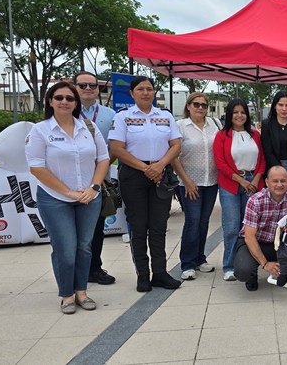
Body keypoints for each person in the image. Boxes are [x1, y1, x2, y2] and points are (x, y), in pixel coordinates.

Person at [26, 82, 109, 313]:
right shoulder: (40, 130)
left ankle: (82, 292)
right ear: (50, 101)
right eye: (59, 97)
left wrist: (93, 187)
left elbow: (103, 159)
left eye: (70, 98)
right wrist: (70, 192)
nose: (64, 102)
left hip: (89, 197)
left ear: (76, 103)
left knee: (84, 247)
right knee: (65, 247)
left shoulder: (88, 127)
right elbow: (36, 167)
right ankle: (67, 295)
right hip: (55, 198)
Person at [110, 76, 182, 292]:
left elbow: (176, 145)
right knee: (139, 228)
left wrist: (159, 165)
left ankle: (160, 272)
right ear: (132, 93)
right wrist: (146, 168)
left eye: (149, 89)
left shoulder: (165, 116)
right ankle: (143, 275)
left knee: (159, 227)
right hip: (134, 176)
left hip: (161, 174)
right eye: (140, 89)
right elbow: (116, 148)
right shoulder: (123, 117)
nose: (145, 93)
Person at [233, 166, 287, 291]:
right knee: (243, 271)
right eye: (275, 181)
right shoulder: (255, 201)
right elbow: (249, 237)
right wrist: (265, 264)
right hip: (256, 242)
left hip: (281, 243)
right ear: (267, 182)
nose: (279, 185)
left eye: (283, 181)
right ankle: (252, 276)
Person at [170, 92, 221, 280]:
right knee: (192, 222)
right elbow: (173, 156)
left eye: (204, 105)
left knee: (204, 222)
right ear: (188, 106)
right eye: (197, 104)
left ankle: (200, 258)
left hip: (211, 181)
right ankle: (187, 263)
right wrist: (187, 181)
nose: (201, 108)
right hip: (189, 183)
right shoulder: (180, 127)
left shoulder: (215, 125)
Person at [214, 98, 266, 282]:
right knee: (232, 226)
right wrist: (242, 182)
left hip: (254, 182)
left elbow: (262, 160)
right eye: (235, 112)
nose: (239, 115)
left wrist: (256, 179)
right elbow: (220, 164)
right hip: (231, 183)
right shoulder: (222, 135)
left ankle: (248, 263)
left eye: (242, 112)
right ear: (230, 114)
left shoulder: (255, 134)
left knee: (251, 228)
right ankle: (229, 265)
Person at [73, 71, 117, 286]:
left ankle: (95, 268)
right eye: (82, 85)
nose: (88, 88)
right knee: (71, 230)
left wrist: (104, 167)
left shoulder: (110, 115)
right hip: (70, 181)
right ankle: (73, 269)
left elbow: (116, 146)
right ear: (75, 87)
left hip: (99, 182)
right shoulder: (66, 111)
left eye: (92, 85)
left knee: (97, 228)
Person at [261, 91, 287, 186]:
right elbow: (268, 151)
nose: (284, 109)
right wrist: (282, 174)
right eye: (280, 105)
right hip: (274, 169)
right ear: (274, 106)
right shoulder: (267, 124)